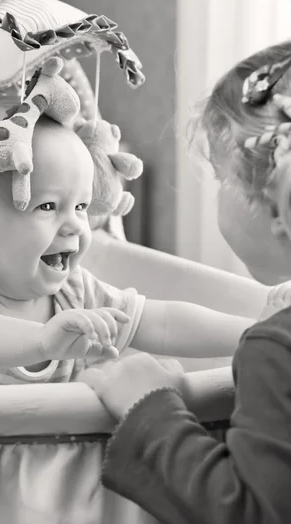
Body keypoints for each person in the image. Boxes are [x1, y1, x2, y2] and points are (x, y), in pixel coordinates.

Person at [0, 93, 250, 385]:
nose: (76, 225)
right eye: (47, 206)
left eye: (80, 206)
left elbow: (163, 322)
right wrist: (42, 340)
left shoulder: (74, 293)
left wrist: (255, 334)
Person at [80, 40, 291, 524]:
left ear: (275, 205)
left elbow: (249, 511)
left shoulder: (276, 350)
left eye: (219, 178)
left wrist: (149, 408)